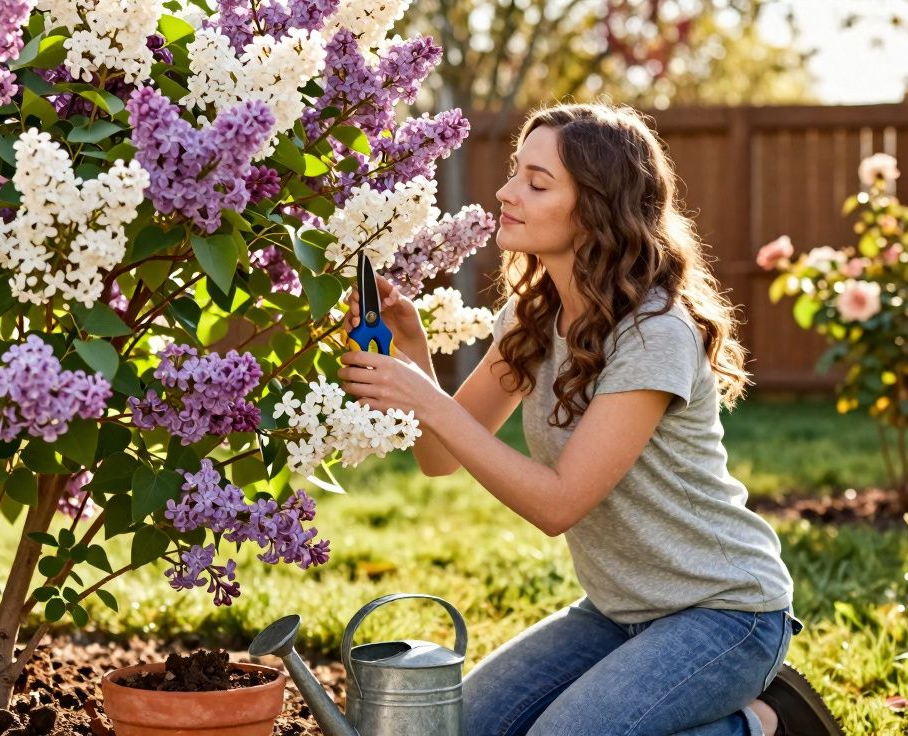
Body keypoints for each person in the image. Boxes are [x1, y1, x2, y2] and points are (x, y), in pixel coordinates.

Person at [336, 103, 841, 735]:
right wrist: (413, 355)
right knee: (456, 730)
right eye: (516, 172)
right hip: (615, 611)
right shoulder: (530, 320)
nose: (506, 191)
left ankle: (766, 726)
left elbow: (558, 506)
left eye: (536, 182)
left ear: (596, 209)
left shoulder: (655, 333)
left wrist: (426, 398)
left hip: (725, 613)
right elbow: (440, 458)